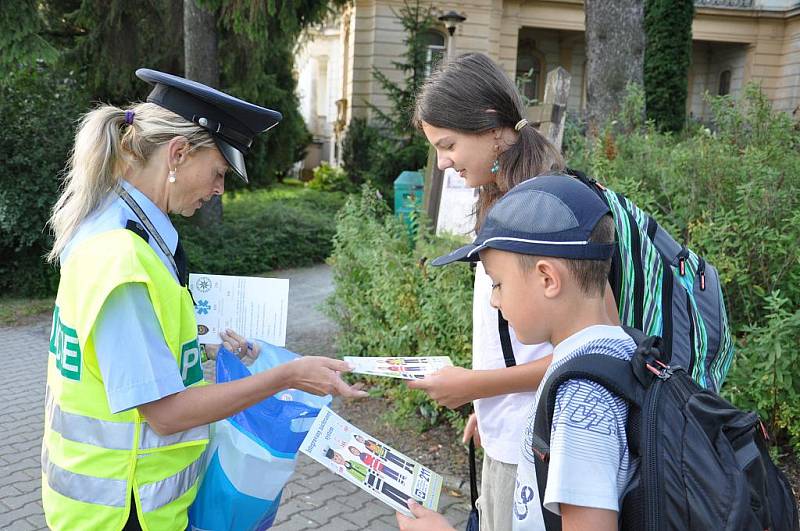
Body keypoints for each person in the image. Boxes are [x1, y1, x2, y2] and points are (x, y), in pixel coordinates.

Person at [42, 68, 366, 531]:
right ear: (177, 153)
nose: (219, 190)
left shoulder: (118, 230)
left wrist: (193, 347)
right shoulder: (120, 256)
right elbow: (167, 414)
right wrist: (286, 375)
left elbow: (122, 359)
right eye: (218, 173)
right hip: (123, 511)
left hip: (119, 502)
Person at [397, 175, 635, 531]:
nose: (494, 299)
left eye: (498, 283)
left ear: (547, 279)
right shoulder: (618, 350)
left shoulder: (581, 399)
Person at [406, 51, 572, 531]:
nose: (441, 163)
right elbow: (514, 337)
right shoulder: (505, 201)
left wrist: (474, 386)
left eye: (448, 144)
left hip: (537, 447)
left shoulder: (541, 214)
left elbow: (579, 352)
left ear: (490, 125)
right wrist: (488, 405)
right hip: (511, 430)